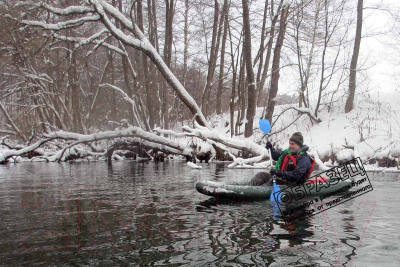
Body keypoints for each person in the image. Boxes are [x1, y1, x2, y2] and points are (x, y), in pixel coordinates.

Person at [248, 132, 315, 186]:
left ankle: (253, 194)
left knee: (275, 181)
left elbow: (297, 175)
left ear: (299, 145)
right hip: (281, 178)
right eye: (290, 144)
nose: (290, 146)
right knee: (261, 175)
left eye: (293, 144)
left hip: (294, 184)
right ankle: (248, 189)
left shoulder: (304, 158)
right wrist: (271, 149)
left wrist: (279, 173)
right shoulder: (288, 152)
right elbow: (276, 156)